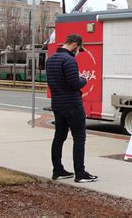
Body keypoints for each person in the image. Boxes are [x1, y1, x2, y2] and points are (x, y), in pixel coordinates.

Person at [46, 34, 98, 183]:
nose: (78, 51)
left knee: (59, 137)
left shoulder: (51, 59)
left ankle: (58, 170)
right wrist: (84, 79)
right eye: (78, 49)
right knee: (79, 138)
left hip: (57, 104)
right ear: (75, 44)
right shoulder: (69, 60)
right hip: (72, 104)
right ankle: (80, 173)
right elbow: (75, 83)